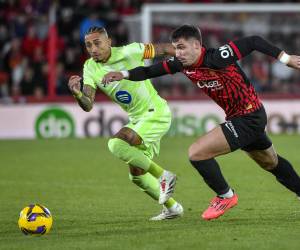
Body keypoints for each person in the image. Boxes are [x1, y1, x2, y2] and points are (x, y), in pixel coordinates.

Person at [102, 24, 300, 220]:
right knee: (270, 162)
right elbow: (149, 72)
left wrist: (286, 58)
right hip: (243, 117)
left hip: (248, 117)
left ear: (196, 45)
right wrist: (124, 74)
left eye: (181, 47)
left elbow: (253, 41)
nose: (177, 53)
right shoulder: (181, 64)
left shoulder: (217, 57)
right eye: (175, 48)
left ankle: (225, 196)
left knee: (197, 153)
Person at [67, 26, 183, 221]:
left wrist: (192, 58)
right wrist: (77, 93)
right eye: (88, 45)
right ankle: (173, 208)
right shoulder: (90, 67)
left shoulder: (131, 51)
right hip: (138, 120)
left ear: (109, 41)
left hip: (156, 113)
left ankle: (164, 175)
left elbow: (163, 49)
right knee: (137, 175)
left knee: (116, 143)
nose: (93, 49)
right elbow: (88, 104)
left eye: (97, 43)